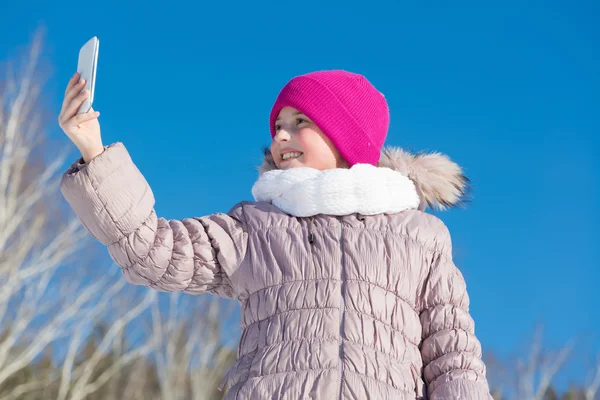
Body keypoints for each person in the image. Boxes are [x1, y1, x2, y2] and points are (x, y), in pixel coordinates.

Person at [58, 69, 493, 399]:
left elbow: (453, 358)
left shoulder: (418, 235)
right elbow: (153, 250)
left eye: (300, 119)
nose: (281, 134)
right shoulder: (257, 226)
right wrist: (94, 152)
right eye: (277, 124)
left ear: (348, 136)